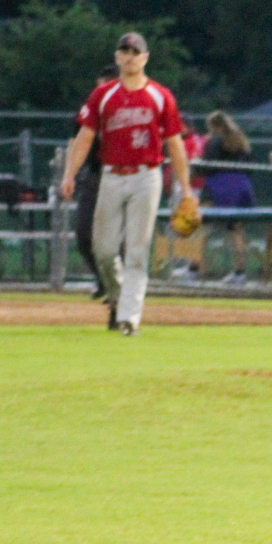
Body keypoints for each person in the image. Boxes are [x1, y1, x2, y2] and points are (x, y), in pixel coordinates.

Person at [59, 32, 192, 335]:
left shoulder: (161, 95)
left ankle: (129, 318)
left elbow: (175, 144)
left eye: (136, 51)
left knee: (136, 249)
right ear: (118, 57)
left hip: (147, 175)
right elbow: (84, 137)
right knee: (103, 250)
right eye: (125, 51)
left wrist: (186, 190)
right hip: (112, 175)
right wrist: (69, 173)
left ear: (145, 58)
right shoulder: (103, 95)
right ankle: (119, 299)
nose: (130, 56)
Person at [72, 62, 120, 301]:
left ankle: (120, 294)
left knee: (117, 242)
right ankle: (103, 279)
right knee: (84, 235)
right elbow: (78, 141)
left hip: (124, 176)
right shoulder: (90, 109)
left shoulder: (129, 110)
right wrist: (69, 174)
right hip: (96, 175)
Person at [199, 110, 257, 284]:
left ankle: (196, 267)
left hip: (220, 186)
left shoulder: (214, 141)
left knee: (200, 223)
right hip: (242, 186)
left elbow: (207, 166)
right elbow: (250, 165)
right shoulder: (240, 139)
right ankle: (240, 272)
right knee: (236, 230)